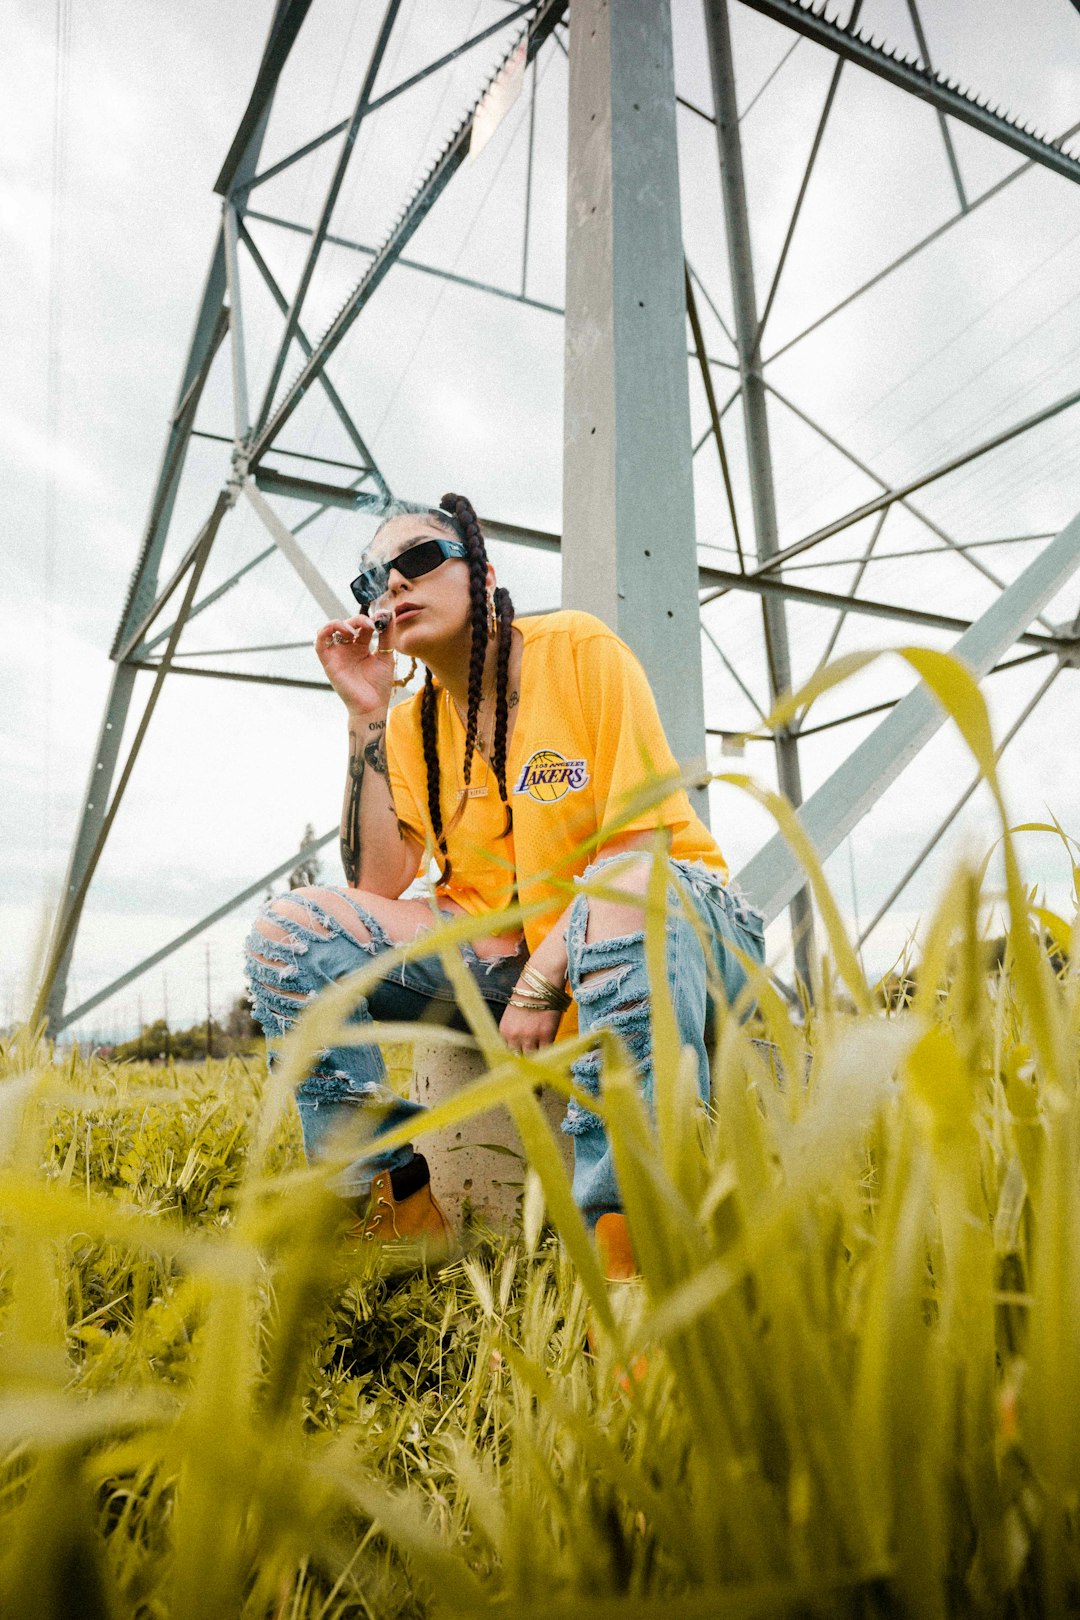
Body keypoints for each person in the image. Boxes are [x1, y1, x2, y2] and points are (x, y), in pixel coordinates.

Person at [244, 493, 765, 1271]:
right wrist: (364, 718)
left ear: (481, 573)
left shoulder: (577, 650)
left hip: (672, 924)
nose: (394, 586)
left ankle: (634, 1267)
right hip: (509, 956)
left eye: (418, 559)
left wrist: (544, 978)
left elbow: (635, 853)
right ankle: (399, 1206)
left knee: (619, 912)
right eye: (373, 582)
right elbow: (377, 885)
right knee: (289, 935)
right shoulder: (412, 725)